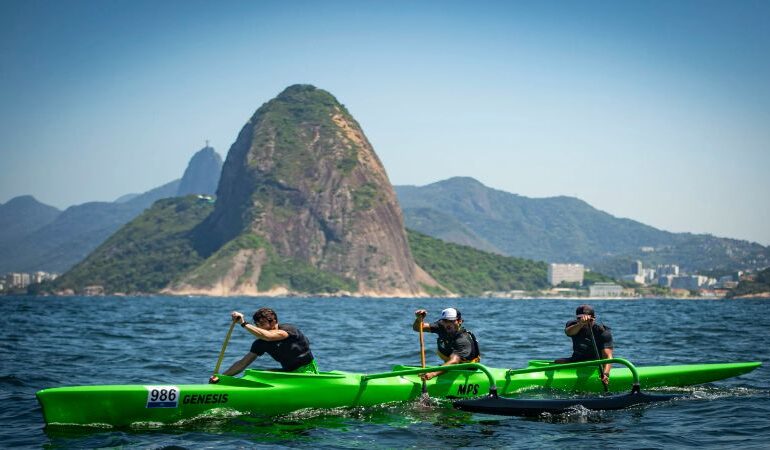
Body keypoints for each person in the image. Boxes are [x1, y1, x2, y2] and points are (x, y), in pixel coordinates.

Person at [209, 307, 317, 383]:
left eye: (261, 323)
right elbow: (243, 363)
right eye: (256, 324)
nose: (258, 326)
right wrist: (222, 377)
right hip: (288, 372)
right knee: (258, 374)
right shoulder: (260, 343)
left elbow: (269, 336)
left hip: (307, 372)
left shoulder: (288, 330)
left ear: (273, 321)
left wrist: (243, 323)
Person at [413, 307, 481, 381]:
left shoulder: (462, 340)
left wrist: (433, 373)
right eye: (445, 321)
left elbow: (454, 361)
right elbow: (417, 328)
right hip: (450, 367)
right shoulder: (441, 326)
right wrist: (419, 319)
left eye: (451, 321)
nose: (448, 324)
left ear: (460, 321)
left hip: (467, 372)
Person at [554, 304, 614, 386]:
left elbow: (607, 357)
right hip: (577, 361)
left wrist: (606, 374)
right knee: (557, 361)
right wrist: (580, 324)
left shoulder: (602, 332)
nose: (584, 322)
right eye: (579, 318)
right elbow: (568, 332)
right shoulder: (572, 325)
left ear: (594, 318)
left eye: (587, 319)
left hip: (595, 365)